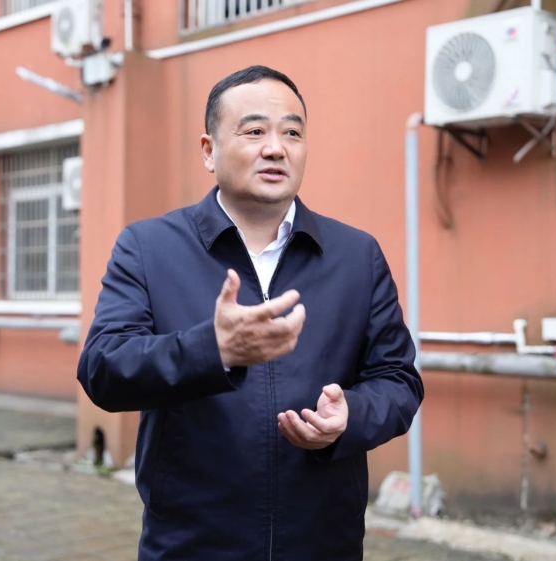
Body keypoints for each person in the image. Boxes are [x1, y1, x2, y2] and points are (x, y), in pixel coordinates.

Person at [78, 65, 424, 560]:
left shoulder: (356, 255)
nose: (276, 148)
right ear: (209, 150)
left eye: (292, 133)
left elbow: (398, 379)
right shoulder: (149, 247)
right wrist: (212, 349)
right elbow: (103, 369)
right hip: (191, 545)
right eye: (255, 131)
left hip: (323, 544)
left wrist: (351, 416)